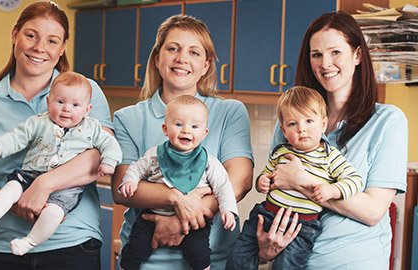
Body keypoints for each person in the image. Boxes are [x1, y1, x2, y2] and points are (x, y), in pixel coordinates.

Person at [0, 1, 114, 269]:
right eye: (31, 35)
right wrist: (17, 204)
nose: (39, 47)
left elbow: (98, 158)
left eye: (52, 40)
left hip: (72, 243)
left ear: (62, 48)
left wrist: (42, 186)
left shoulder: (85, 92)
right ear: (15, 35)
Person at [253, 11, 408, 269]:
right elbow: (276, 189)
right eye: (317, 55)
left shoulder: (388, 122)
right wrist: (266, 249)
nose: (325, 64)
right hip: (291, 261)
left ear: (357, 55)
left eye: (335, 52)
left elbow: (372, 212)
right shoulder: (293, 122)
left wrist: (302, 181)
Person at [112, 15, 254, 270]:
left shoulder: (230, 112)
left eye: (194, 52)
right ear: (157, 59)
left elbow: (240, 180)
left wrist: (186, 218)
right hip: (145, 262)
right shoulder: (127, 118)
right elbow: (122, 188)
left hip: (215, 261)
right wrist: (177, 199)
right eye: (173, 48)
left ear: (206, 65)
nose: (182, 59)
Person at [0, 71, 122, 256]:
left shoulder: (92, 128)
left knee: (54, 213)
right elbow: (16, 138)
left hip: (68, 187)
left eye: (75, 105)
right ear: (48, 102)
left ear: (87, 109)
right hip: (30, 173)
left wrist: (108, 162)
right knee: (11, 187)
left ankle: (29, 241)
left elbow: (110, 144)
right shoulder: (38, 123)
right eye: (60, 102)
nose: (66, 109)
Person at [227, 86, 363, 269]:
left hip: (303, 226)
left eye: (309, 121)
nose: (302, 129)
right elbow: (265, 175)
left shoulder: (331, 157)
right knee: (238, 255)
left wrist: (332, 189)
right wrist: (263, 182)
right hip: (266, 214)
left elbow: (355, 180)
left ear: (323, 124)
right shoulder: (280, 152)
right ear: (283, 130)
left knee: (286, 266)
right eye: (293, 124)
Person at [119, 95, 238, 270]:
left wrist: (228, 209)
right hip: (153, 214)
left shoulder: (209, 162)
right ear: (165, 129)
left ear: (204, 133)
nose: (186, 131)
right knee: (135, 246)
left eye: (195, 126)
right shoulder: (155, 155)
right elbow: (137, 168)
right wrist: (130, 180)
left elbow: (223, 187)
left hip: (193, 220)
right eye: (179, 124)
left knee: (198, 250)